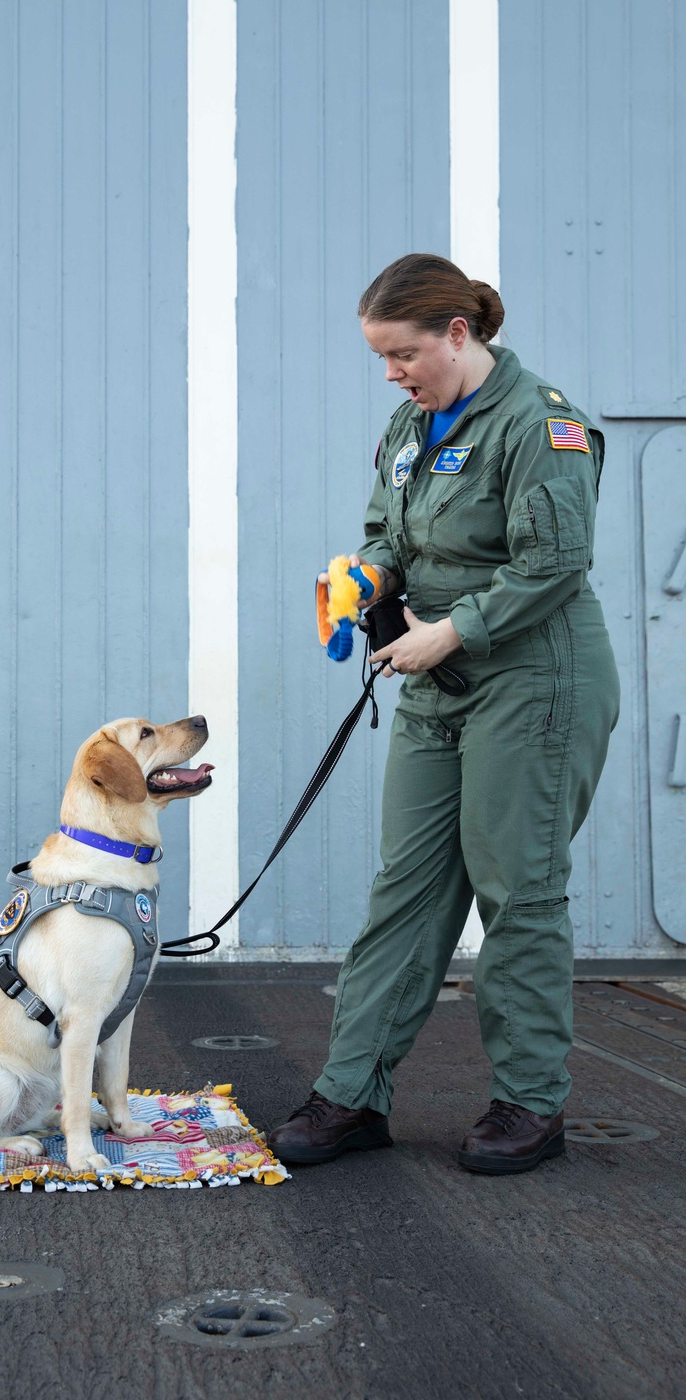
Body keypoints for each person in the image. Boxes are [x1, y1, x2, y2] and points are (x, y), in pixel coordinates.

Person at [266, 253, 620, 1175]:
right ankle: (352, 1094)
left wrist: (452, 631)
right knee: (407, 890)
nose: (392, 373)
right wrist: (367, 576)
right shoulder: (411, 424)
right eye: (382, 358)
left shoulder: (543, 425)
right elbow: (391, 527)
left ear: (458, 335)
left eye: (403, 353)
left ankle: (530, 1108)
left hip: (535, 679)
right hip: (436, 678)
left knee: (519, 892)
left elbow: (554, 564)